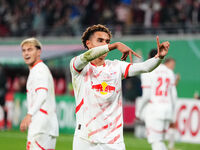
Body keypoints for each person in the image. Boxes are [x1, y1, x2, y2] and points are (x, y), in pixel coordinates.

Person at [70, 24, 170, 150]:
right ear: (89, 44)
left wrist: (159, 58)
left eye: (107, 41)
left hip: (113, 141)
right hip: (85, 139)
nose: (104, 44)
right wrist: (114, 46)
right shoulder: (78, 67)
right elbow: (87, 56)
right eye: (100, 40)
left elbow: (144, 67)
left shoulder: (116, 67)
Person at [20, 38, 59, 150]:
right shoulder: (40, 69)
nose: (26, 53)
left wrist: (29, 114)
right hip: (47, 126)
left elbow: (42, 94)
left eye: (30, 49)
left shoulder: (39, 70)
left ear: (39, 52)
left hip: (40, 125)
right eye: (24, 50)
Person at [136, 49, 177, 150]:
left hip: (154, 109)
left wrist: (139, 111)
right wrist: (172, 112)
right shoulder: (169, 71)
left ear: (149, 58)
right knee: (159, 141)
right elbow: (174, 95)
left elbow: (147, 95)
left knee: (155, 142)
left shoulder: (147, 71)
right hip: (167, 109)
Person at [0, 64, 7, 130]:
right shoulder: (3, 75)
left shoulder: (2, 75)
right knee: (4, 108)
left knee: (4, 108)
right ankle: (4, 124)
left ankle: (4, 124)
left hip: (2, 94)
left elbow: (4, 84)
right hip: (2, 93)